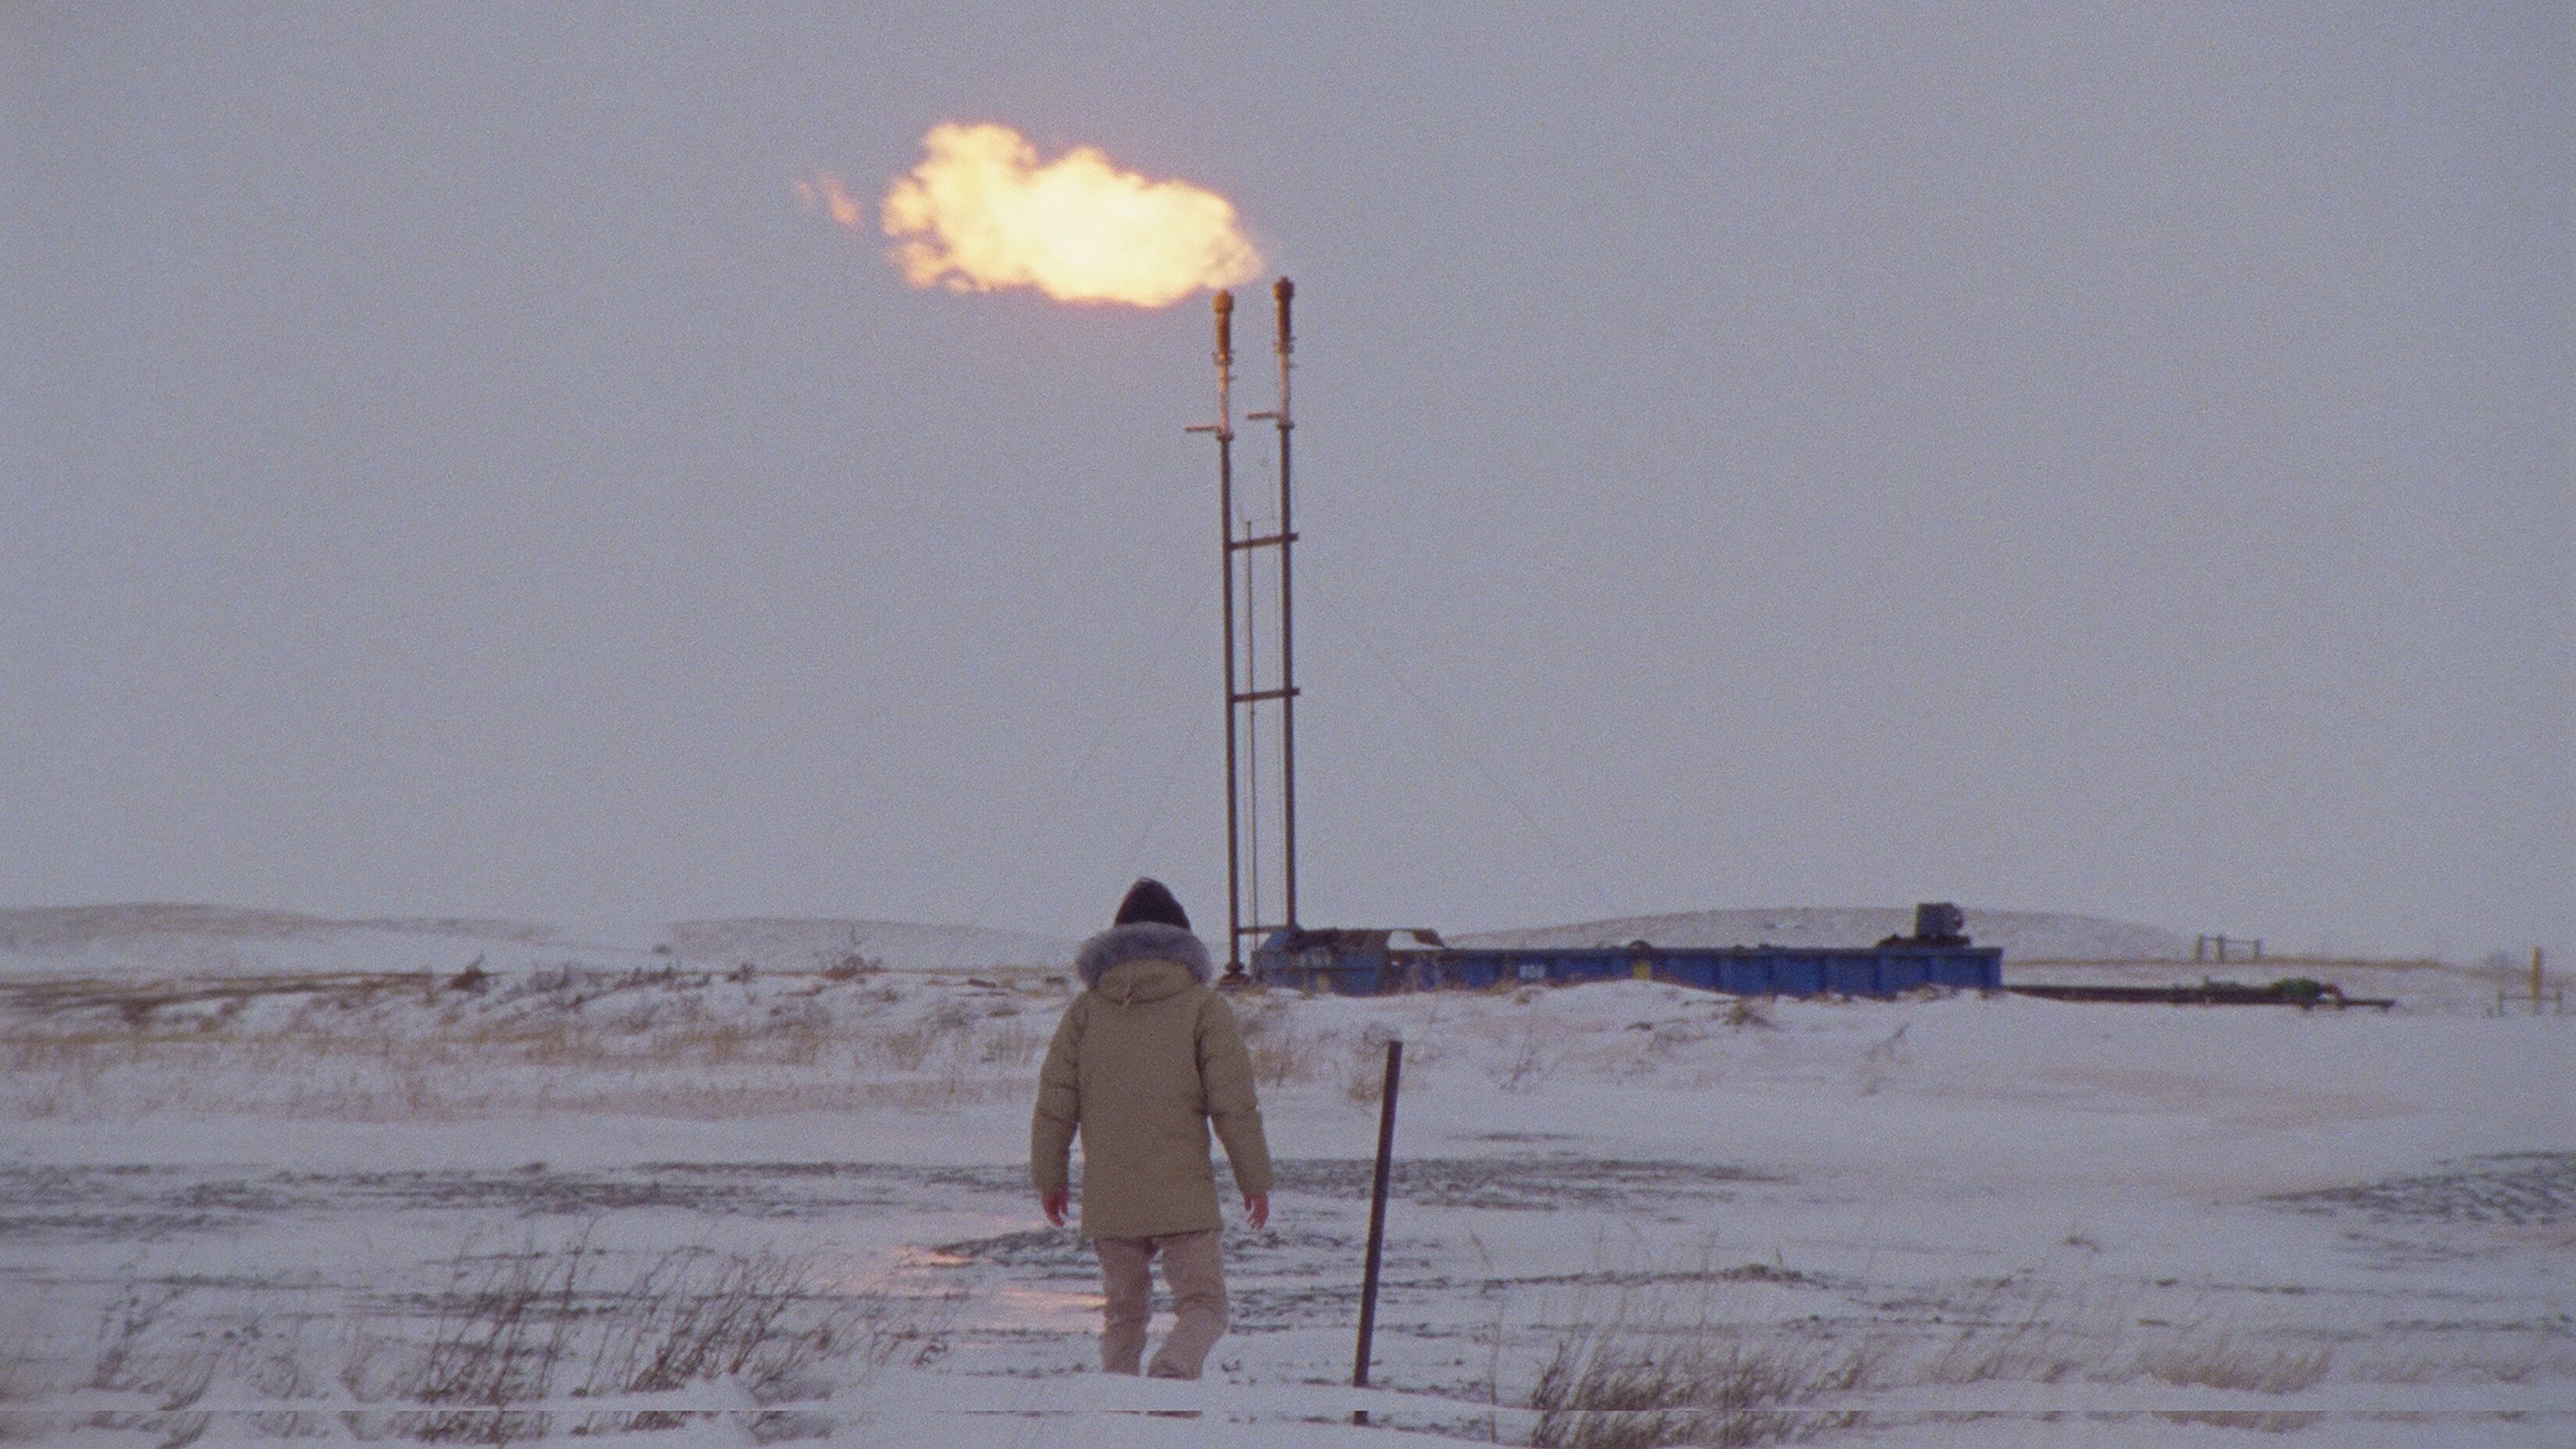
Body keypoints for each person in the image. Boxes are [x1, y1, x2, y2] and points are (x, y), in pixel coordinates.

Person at [1031, 878, 1273, 1379]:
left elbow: (1056, 1105)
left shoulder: (1086, 1010)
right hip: (1182, 1192)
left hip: (1111, 1195)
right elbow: (1233, 1104)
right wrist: (1254, 1179)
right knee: (1205, 1305)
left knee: (1123, 1314)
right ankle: (1173, 1372)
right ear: (1181, 939)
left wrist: (1050, 1179)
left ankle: (1117, 1406)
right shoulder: (1203, 1006)